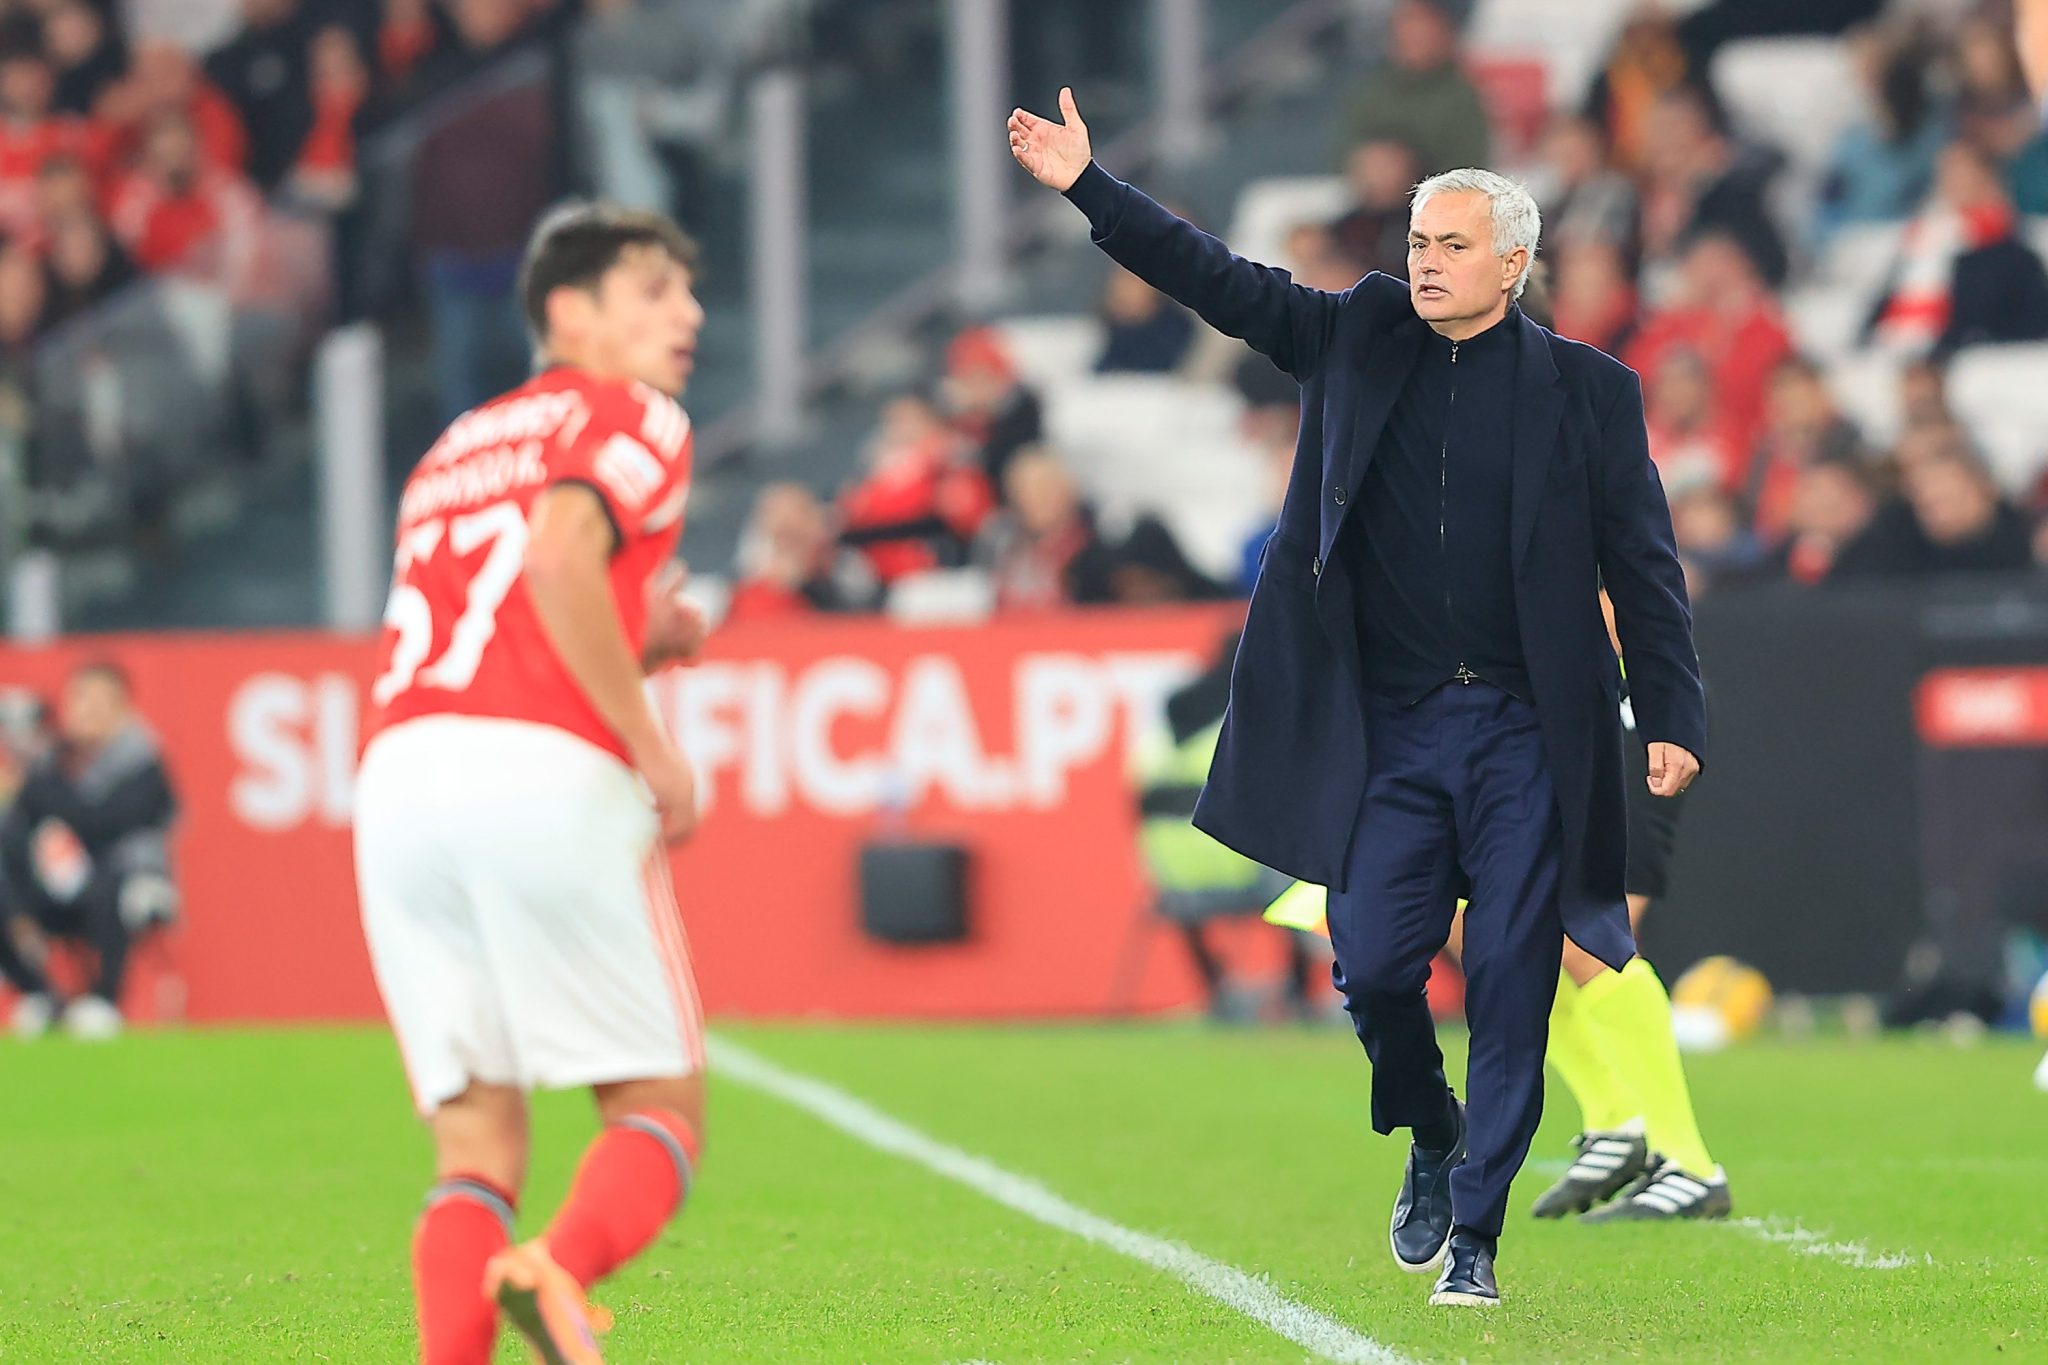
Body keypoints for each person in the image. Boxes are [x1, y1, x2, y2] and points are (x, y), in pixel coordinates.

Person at [1011, 90, 1704, 1307]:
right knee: (1376, 970)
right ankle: (1431, 1131)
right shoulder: (1352, 336)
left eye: (1448, 245)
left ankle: (1477, 1240)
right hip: (1386, 728)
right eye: (1416, 244)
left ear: (1513, 262)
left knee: (1508, 978)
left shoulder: (1588, 391)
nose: (1422, 264)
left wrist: (1674, 716)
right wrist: (1087, 188)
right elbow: (1211, 277)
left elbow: (1640, 564)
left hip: (1526, 733)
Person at [353, 203, 713, 1365]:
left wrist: (635, 631)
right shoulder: (633, 415)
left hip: (401, 775)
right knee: (657, 1106)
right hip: (539, 769)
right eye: (653, 289)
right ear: (568, 312)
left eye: (688, 292)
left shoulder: (455, 445)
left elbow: (500, 600)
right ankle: (554, 1272)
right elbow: (559, 554)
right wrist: (653, 748)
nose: (687, 312)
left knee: (475, 1146)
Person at [0, 662, 178, 1041]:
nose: (89, 711)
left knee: (112, 880)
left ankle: (103, 1001)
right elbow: (20, 821)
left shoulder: (143, 761)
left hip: (122, 884)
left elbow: (102, 822)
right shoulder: (53, 760)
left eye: (101, 702)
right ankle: (41, 996)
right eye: (82, 700)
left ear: (123, 708)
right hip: (57, 883)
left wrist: (47, 791)